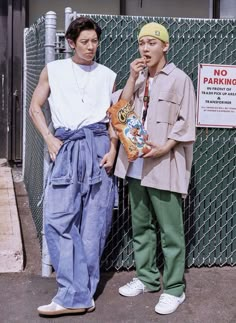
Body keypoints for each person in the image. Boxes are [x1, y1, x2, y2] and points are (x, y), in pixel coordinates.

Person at [29, 17, 117, 316]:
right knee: (58, 220)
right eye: (84, 42)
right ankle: (74, 292)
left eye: (94, 41)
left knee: (95, 223)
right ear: (70, 42)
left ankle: (80, 295)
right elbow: (34, 107)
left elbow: (115, 118)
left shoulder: (108, 75)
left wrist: (114, 149)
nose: (91, 47)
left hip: (98, 147)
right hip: (66, 147)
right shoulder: (53, 70)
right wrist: (49, 139)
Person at [114, 22, 196, 315]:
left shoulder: (180, 79)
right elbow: (120, 112)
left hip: (164, 164)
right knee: (141, 227)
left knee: (171, 231)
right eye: (142, 43)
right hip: (135, 165)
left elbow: (187, 122)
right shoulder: (137, 79)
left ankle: (174, 288)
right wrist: (131, 77)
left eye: (152, 42)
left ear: (165, 46)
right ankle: (147, 278)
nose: (145, 48)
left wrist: (166, 146)